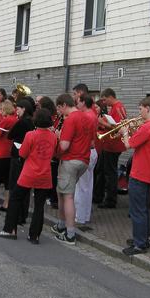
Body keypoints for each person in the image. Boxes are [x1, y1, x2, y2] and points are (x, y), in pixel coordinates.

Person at [0, 108, 58, 243]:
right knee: (39, 206)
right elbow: (54, 153)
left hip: (29, 173)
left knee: (15, 199)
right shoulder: (53, 136)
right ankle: (34, 235)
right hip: (45, 174)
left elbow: (22, 153)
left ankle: (10, 229)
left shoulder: (31, 135)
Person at [121, 97, 150, 255]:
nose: (139, 112)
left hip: (140, 172)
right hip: (149, 172)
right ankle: (142, 238)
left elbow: (128, 145)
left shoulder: (148, 127)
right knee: (144, 209)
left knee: (137, 210)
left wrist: (125, 132)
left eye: (140, 109)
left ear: (147, 108)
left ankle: (140, 244)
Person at [51, 94, 96, 245]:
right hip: (83, 160)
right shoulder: (87, 118)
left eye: (59, 108)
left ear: (64, 105)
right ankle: (62, 224)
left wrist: (57, 136)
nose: (59, 112)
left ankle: (70, 233)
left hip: (70, 160)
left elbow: (64, 146)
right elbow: (90, 141)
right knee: (62, 193)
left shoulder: (71, 119)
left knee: (67, 196)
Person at [94, 88, 127, 209]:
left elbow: (118, 128)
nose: (103, 102)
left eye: (104, 99)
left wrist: (102, 122)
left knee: (110, 173)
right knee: (103, 171)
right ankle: (99, 196)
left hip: (113, 145)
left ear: (110, 97)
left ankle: (110, 200)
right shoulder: (116, 107)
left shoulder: (117, 107)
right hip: (109, 144)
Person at [8, 99, 35, 223]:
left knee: (16, 185)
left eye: (18, 108)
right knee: (25, 187)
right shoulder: (32, 122)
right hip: (27, 157)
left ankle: (16, 216)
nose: (16, 110)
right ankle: (23, 214)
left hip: (18, 156)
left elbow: (10, 135)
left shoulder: (22, 122)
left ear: (24, 109)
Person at [74, 94, 98, 225]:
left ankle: (80, 216)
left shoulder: (86, 116)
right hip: (91, 151)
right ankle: (85, 215)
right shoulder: (93, 114)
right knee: (87, 186)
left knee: (82, 186)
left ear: (83, 103)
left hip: (86, 151)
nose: (77, 105)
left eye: (78, 102)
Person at [40, 96, 60, 209]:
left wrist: (53, 130)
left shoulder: (54, 117)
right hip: (51, 147)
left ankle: (54, 198)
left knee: (53, 175)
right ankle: (49, 195)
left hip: (54, 148)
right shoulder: (54, 117)